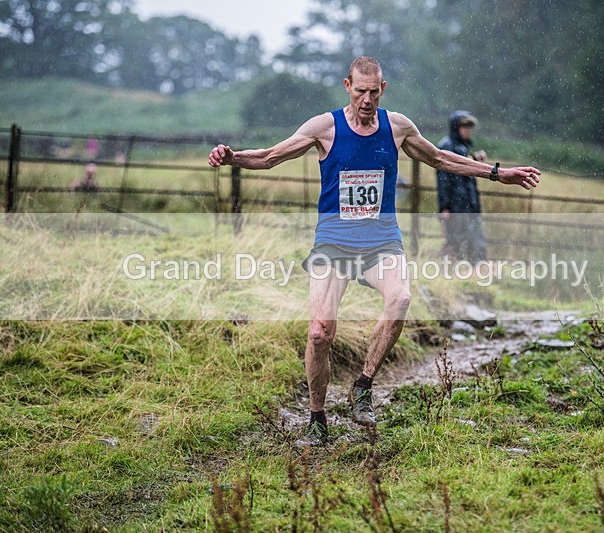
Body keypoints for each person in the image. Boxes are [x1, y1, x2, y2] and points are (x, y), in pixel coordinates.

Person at [208, 57, 540, 446]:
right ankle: (317, 418)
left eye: (373, 91)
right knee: (319, 333)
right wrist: (233, 158)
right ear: (347, 85)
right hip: (333, 242)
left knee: (400, 299)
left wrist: (498, 173)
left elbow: (441, 159)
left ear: (383, 89)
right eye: (359, 91)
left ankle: (363, 384)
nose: (366, 100)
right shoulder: (324, 127)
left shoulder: (397, 127)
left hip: (381, 240)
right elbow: (269, 156)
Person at [437, 111, 488, 265]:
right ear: (455, 127)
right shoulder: (447, 146)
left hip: (468, 204)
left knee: (474, 239)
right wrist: (445, 207)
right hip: (456, 205)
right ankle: (454, 272)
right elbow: (444, 179)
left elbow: (464, 174)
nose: (467, 130)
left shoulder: (461, 147)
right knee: (456, 241)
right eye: (464, 126)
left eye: (469, 126)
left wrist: (473, 160)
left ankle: (475, 271)